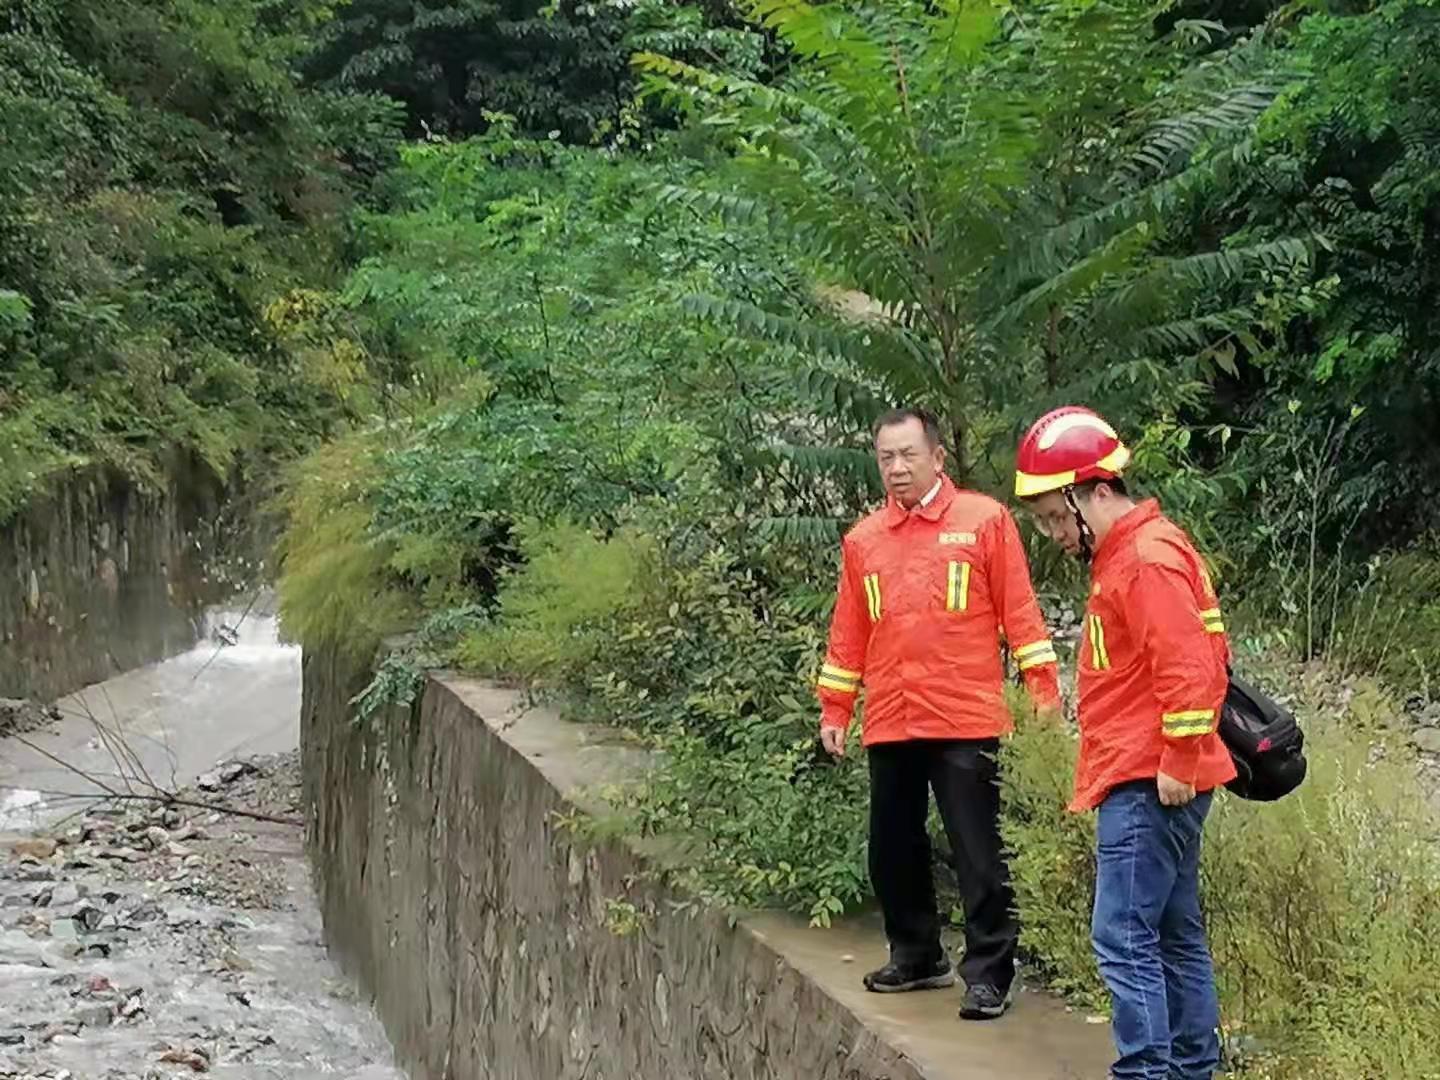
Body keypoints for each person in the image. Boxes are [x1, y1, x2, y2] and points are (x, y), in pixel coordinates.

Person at [1013, 405, 1236, 1079]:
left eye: (1057, 517)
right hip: (1151, 772)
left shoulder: (1142, 559)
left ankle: (1146, 1071)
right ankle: (1191, 1068)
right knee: (1172, 933)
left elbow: (1190, 666)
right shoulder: (1139, 551)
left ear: (1095, 493)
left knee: (1122, 936)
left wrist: (1178, 758)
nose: (1055, 534)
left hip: (1148, 779)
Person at [817, 406, 1061, 1021]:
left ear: (937, 457)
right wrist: (836, 707)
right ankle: (917, 955)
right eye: (886, 458)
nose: (897, 468)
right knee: (891, 849)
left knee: (979, 853)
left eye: (908, 455)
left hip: (965, 717)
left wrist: (1043, 691)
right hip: (892, 716)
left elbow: (1020, 613)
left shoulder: (984, 521)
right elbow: (849, 633)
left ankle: (989, 974)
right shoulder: (864, 540)